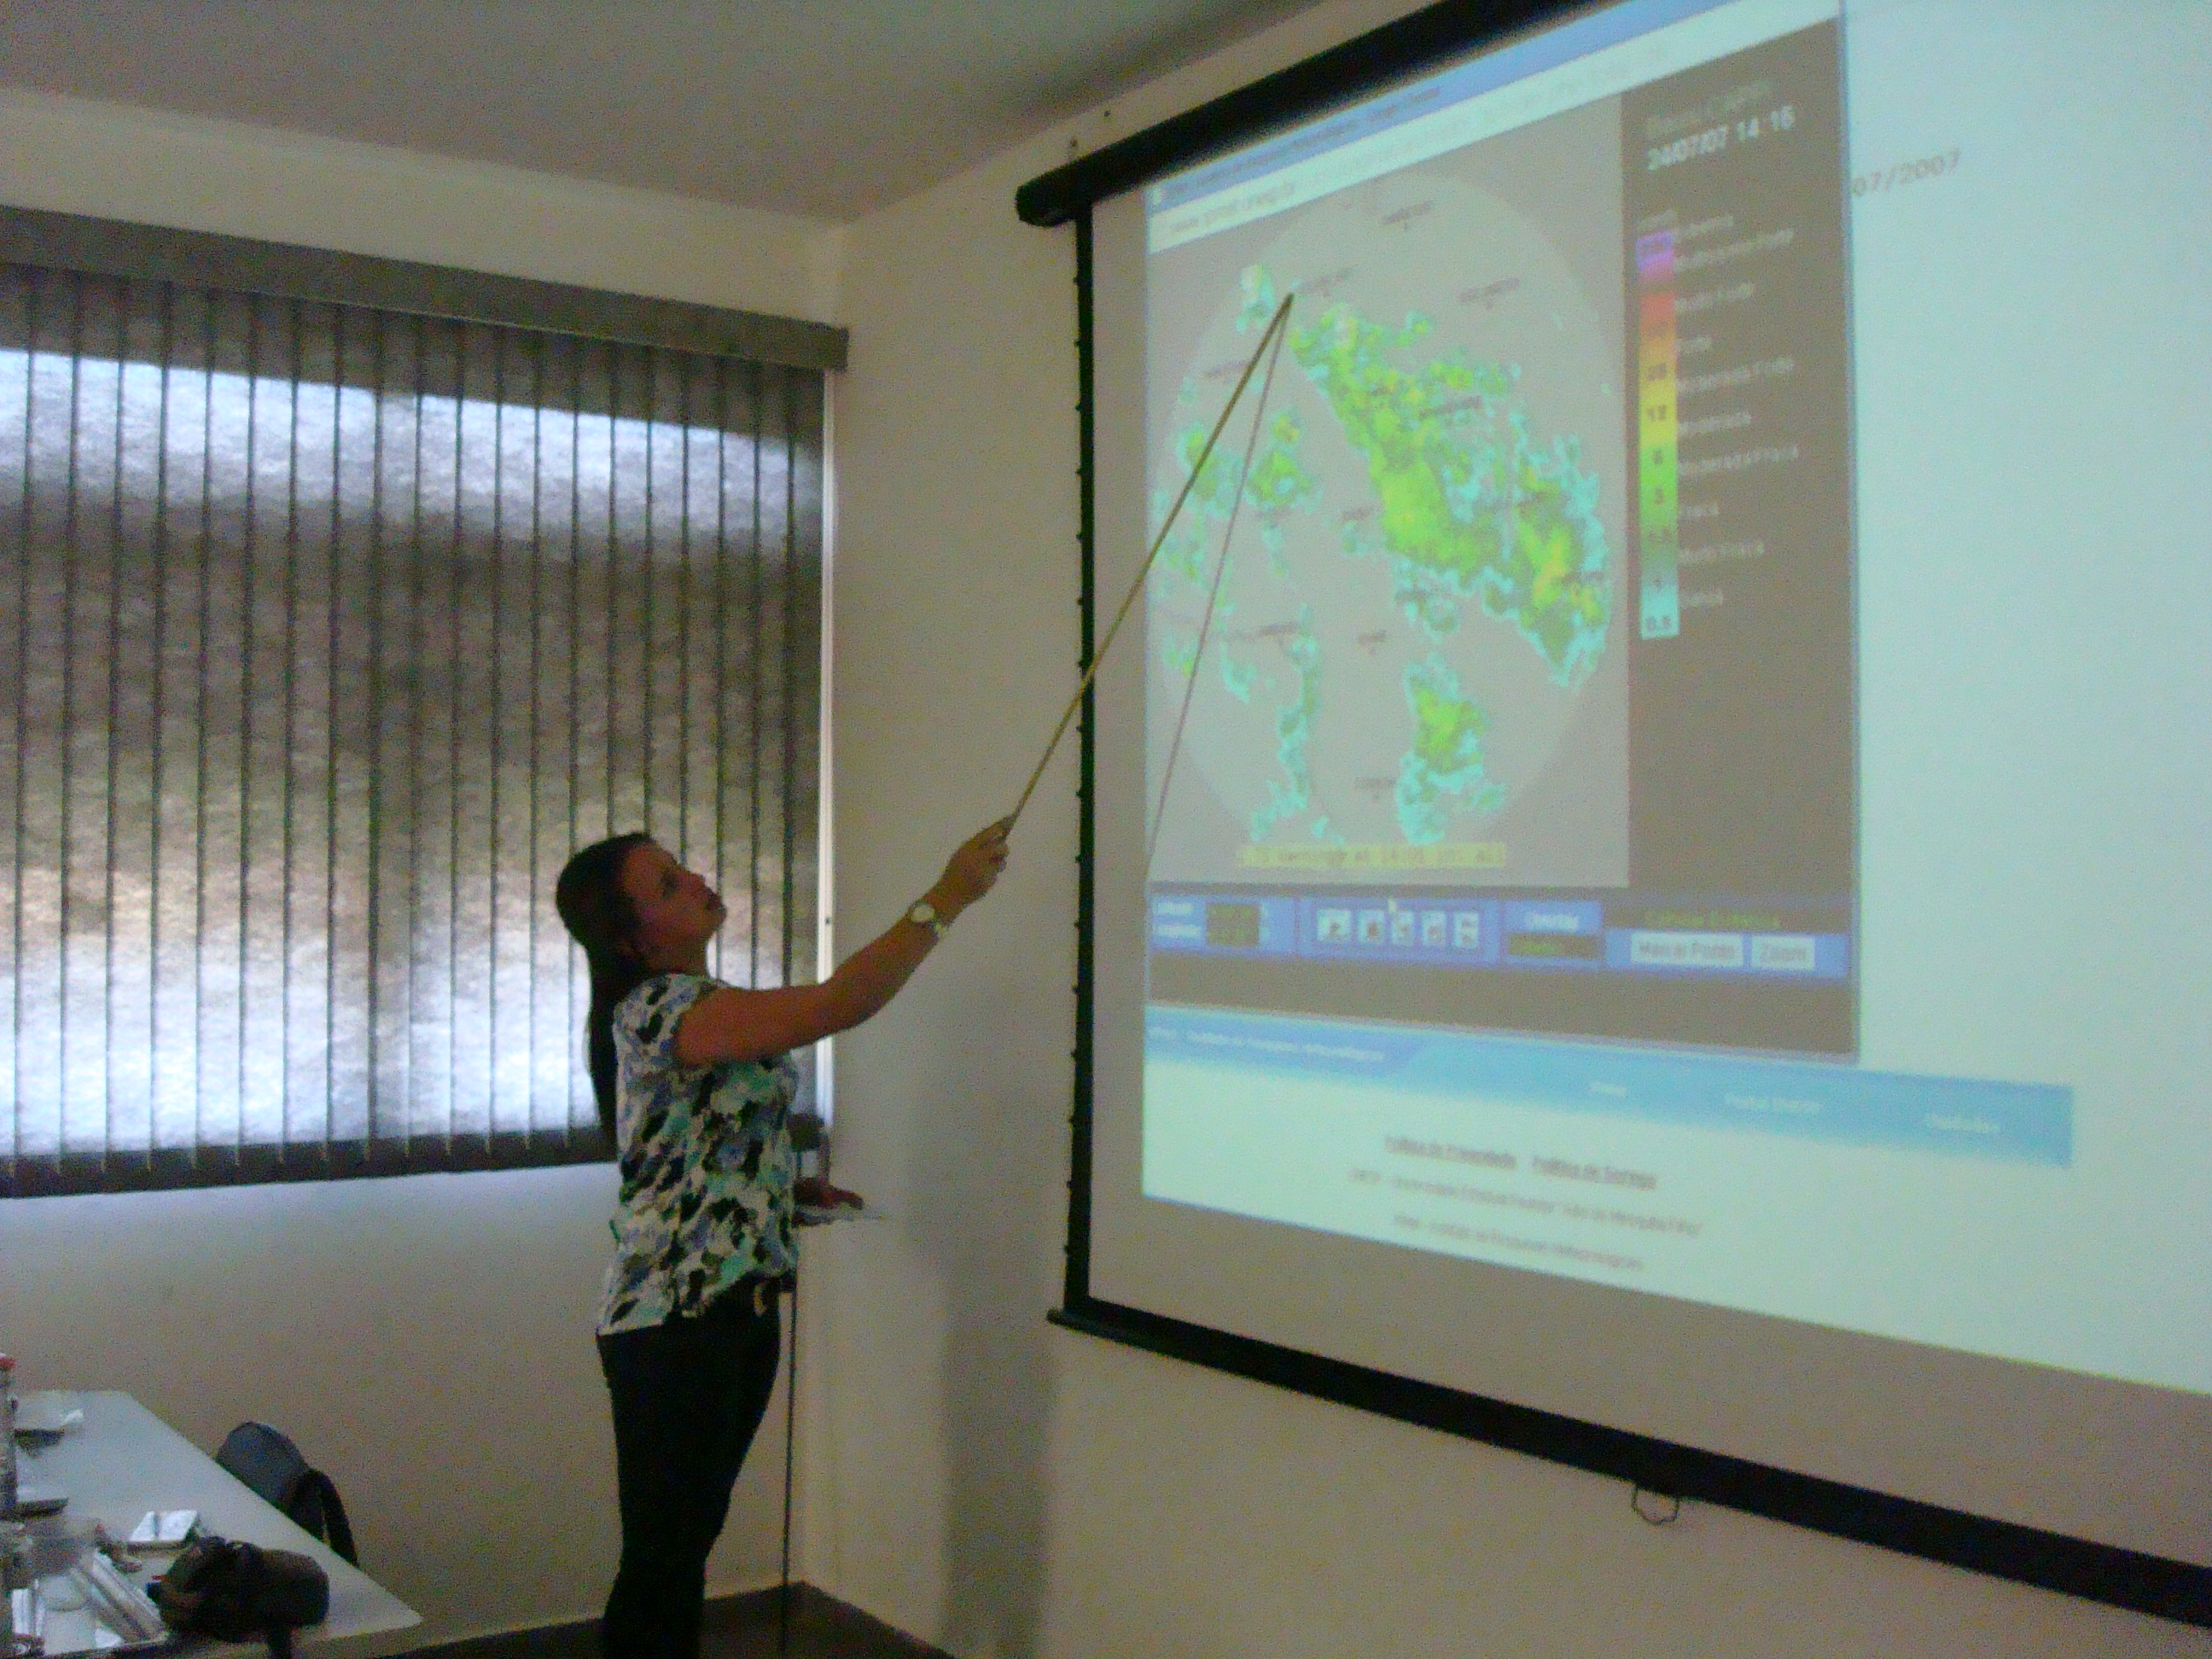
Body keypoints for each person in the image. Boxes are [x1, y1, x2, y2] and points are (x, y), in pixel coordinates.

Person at [554, 818, 1010, 1659]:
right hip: (673, 1324)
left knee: (684, 1547)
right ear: (633, 940)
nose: (696, 881)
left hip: (735, 1312)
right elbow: (843, 1001)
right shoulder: (659, 1009)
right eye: (667, 885)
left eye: (681, 868)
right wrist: (947, 896)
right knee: (664, 1560)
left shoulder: (700, 1003)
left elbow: (700, 1149)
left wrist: (782, 1191)